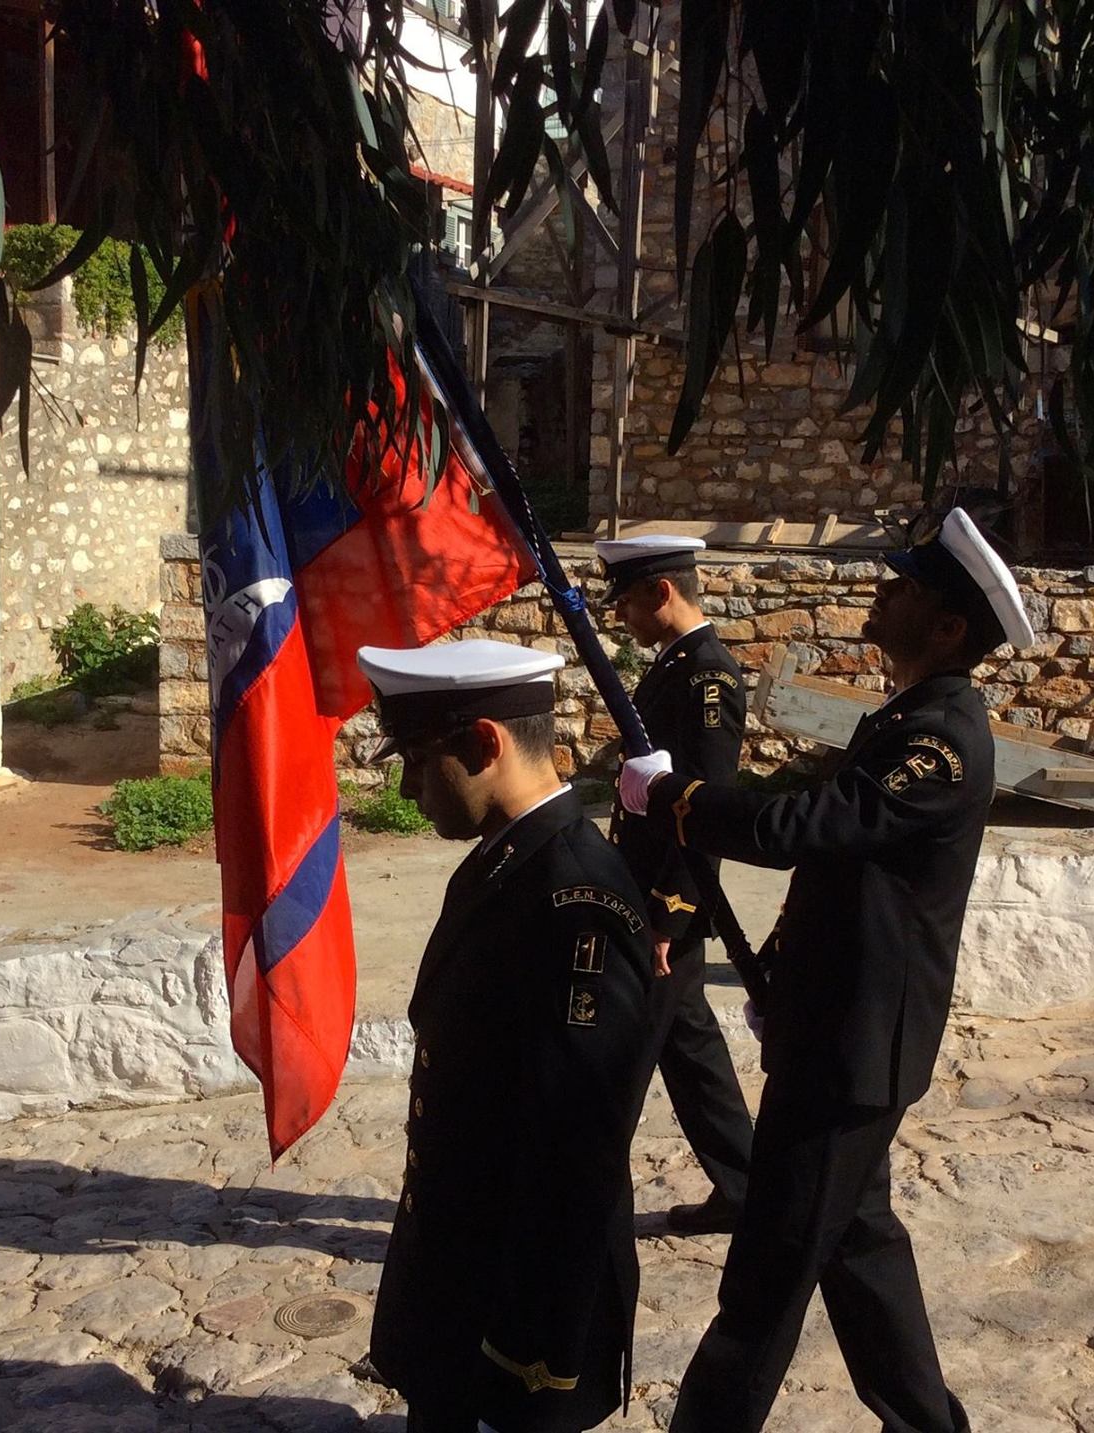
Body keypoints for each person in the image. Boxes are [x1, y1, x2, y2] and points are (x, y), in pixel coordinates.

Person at [617, 508, 1037, 1433]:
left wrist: (680, 796)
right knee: (858, 1242)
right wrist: (779, 965)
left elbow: (805, 829)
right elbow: (842, 868)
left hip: (855, 1044)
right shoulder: (908, 715)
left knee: (768, 1270)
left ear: (949, 627)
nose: (880, 594)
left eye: (904, 587)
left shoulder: (946, 737)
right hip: (833, 1024)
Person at [360, 639, 659, 1433]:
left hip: (514, 1308)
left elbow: (576, 1155)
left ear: (485, 744)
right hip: (461, 1275)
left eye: (420, 760)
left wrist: (531, 1363)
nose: (408, 786)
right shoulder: (505, 861)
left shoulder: (576, 897)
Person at [596, 535, 756, 1236]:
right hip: (644, 886)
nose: (623, 616)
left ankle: (582, 1197)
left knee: (620, 1052)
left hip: (665, 900)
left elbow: (707, 807)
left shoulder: (707, 678)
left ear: (663, 591)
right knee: (689, 1050)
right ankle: (748, 1187)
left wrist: (671, 915)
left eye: (629, 600)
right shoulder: (676, 666)